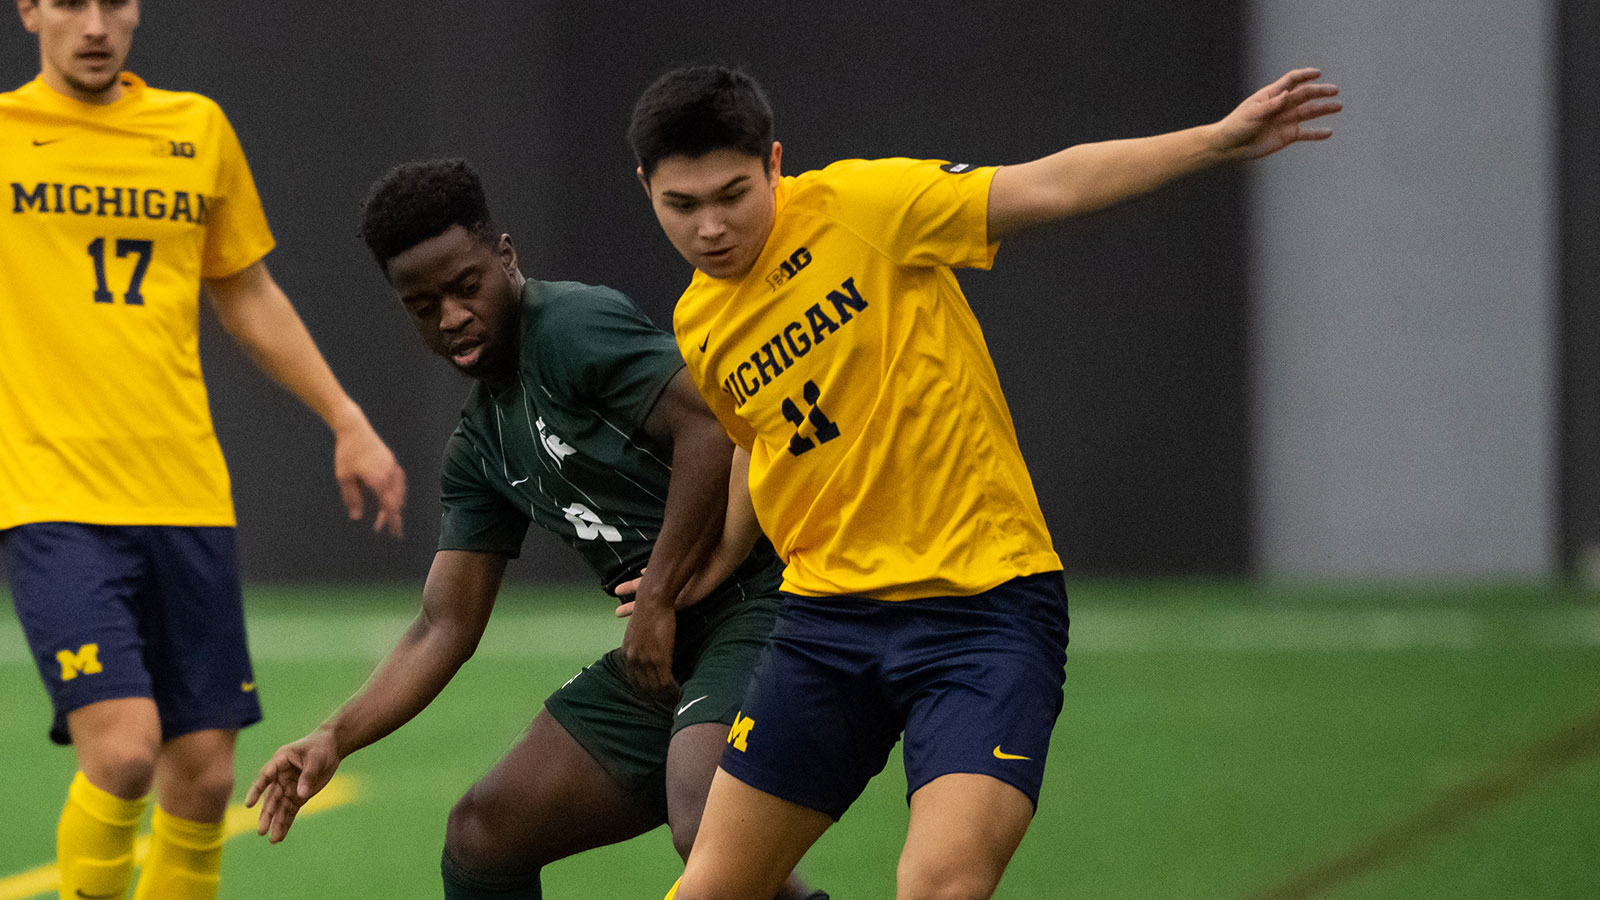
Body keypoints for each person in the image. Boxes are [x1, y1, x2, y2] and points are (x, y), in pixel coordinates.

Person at [627, 65, 1341, 900]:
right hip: (826, 626)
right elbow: (763, 444)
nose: (711, 227)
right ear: (646, 189)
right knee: (710, 888)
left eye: (733, 194)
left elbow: (1052, 186)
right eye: (682, 205)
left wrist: (1217, 141)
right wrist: (712, 560)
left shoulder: (867, 207)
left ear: (775, 163)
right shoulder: (699, 320)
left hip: (982, 614)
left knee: (940, 884)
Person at [244, 158, 823, 900]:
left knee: (705, 817)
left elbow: (712, 425)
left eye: (466, 286)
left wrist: (657, 600)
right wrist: (334, 735)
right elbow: (442, 624)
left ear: (506, 257)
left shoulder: (570, 327)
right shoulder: (480, 444)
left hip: (768, 601)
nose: (451, 316)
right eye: (423, 305)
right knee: (486, 833)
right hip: (670, 640)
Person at [0, 2, 409, 900]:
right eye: (70, 2)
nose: (96, 24)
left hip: (185, 493)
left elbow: (247, 290)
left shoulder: (195, 129)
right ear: (30, 10)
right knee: (125, 753)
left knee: (206, 779)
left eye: (115, 2)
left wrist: (346, 418)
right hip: (51, 495)